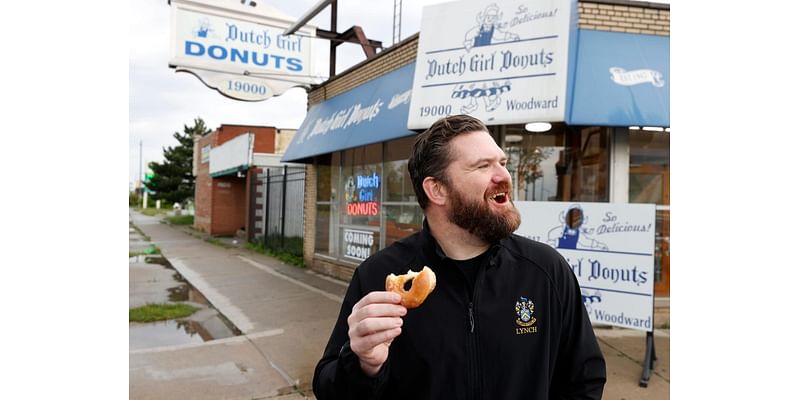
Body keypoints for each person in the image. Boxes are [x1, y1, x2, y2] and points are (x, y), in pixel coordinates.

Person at [312, 115, 606, 399]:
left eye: (502, 163)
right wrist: (364, 365)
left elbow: (584, 378)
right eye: (482, 166)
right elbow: (328, 388)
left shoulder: (545, 270)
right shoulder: (379, 277)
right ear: (437, 189)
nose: (504, 175)